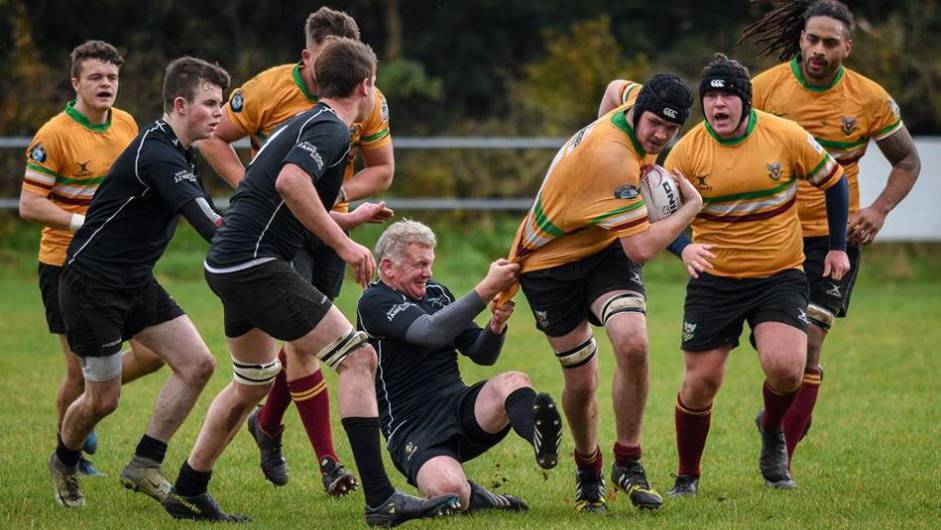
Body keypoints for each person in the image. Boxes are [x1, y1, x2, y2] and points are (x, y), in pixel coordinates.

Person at [162, 38, 456, 526]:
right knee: (358, 357)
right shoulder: (333, 130)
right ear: (366, 85)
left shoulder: (305, 121)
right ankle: (381, 500)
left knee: (253, 381)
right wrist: (345, 246)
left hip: (229, 262)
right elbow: (289, 185)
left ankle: (190, 488)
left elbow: (279, 197)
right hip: (256, 265)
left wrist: (348, 218)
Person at [198, 7, 395, 495]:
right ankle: (337, 468)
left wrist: (340, 213)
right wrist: (257, 193)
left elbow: (381, 169)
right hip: (269, 241)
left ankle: (213, 464)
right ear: (308, 57)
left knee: (281, 359)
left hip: (310, 228)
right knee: (339, 351)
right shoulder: (277, 94)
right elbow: (267, 168)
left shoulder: (359, 108)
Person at [500, 74, 703, 514]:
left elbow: (614, 86)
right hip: (548, 263)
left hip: (602, 249)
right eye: (654, 126)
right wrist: (691, 208)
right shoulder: (611, 158)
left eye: (671, 130)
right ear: (638, 113)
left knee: (634, 342)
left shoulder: (633, 104)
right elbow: (642, 247)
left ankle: (628, 462)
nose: (660, 137)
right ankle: (588, 470)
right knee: (582, 377)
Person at [740, 0, 921, 465]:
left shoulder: (869, 99)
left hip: (835, 240)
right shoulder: (765, 90)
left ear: (848, 47)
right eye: (812, 39)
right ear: (800, 39)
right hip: (772, 237)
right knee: (780, 349)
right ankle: (783, 412)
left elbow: (907, 161)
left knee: (812, 342)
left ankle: (779, 448)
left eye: (830, 42)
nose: (819, 50)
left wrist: (879, 209)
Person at [47, 56, 232, 508]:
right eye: (211, 104)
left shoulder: (182, 149)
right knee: (103, 400)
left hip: (134, 282)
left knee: (198, 364)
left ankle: (145, 463)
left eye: (223, 104)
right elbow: (209, 223)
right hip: (91, 285)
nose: (221, 113)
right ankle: (64, 460)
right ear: (182, 104)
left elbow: (215, 213)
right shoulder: (157, 152)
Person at [663, 54, 850, 495]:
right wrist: (684, 246)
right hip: (715, 280)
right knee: (700, 383)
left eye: (728, 94)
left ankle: (772, 431)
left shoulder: (783, 135)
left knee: (787, 368)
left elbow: (835, 181)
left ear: (745, 101)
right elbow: (658, 216)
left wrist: (838, 248)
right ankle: (687, 475)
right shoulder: (687, 152)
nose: (718, 104)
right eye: (709, 96)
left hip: (779, 274)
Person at [19, 40, 166, 477]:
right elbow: (29, 205)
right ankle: (72, 448)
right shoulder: (54, 134)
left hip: (120, 262)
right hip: (66, 265)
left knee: (154, 353)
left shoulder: (126, 124)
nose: (106, 84)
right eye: (96, 77)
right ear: (76, 82)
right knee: (77, 370)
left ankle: (86, 406)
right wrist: (83, 223)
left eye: (112, 77)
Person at [356, 220, 563, 513]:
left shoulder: (437, 293)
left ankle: (541, 441)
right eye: (419, 264)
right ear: (388, 267)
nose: (427, 272)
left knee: (513, 382)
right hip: (412, 428)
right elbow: (429, 332)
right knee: (451, 493)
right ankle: (476, 497)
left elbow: (481, 354)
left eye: (430, 263)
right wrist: (487, 288)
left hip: (458, 407)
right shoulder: (374, 301)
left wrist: (495, 325)